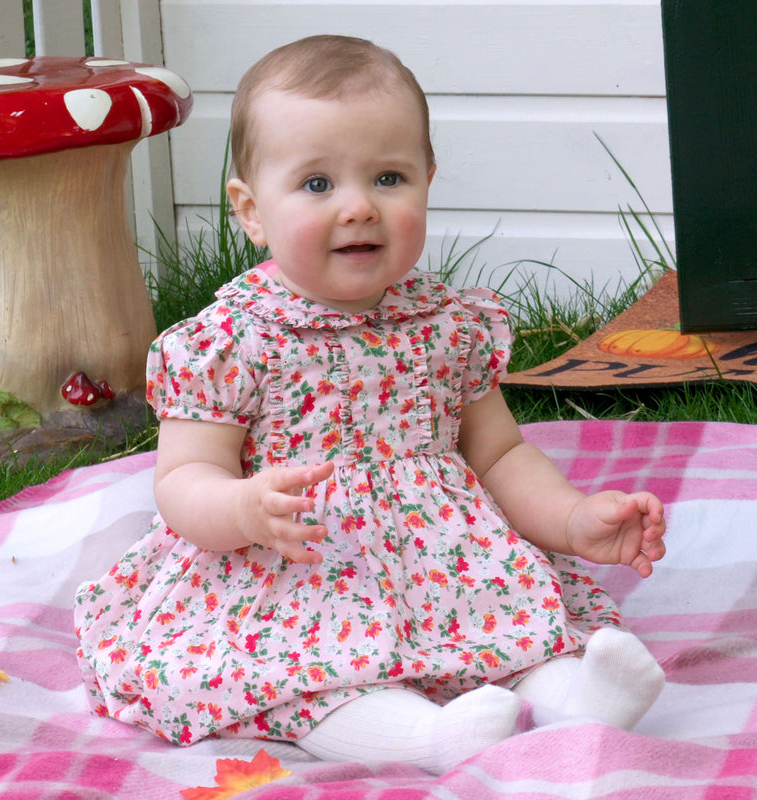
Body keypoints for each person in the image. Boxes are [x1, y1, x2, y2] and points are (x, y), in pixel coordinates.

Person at [75, 34, 666, 775]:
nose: (358, 207)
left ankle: (577, 700)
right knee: (311, 675)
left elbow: (501, 454)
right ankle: (425, 738)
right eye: (317, 185)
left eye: (388, 177)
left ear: (427, 180)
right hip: (297, 567)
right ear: (252, 211)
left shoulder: (449, 325)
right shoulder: (232, 341)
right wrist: (241, 509)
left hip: (448, 564)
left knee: (516, 631)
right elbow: (183, 478)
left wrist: (574, 520)